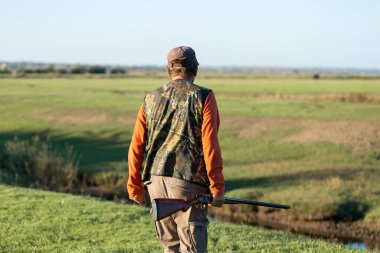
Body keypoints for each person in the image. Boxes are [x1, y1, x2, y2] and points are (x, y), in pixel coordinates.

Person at [127, 46, 224, 253]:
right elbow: (210, 145)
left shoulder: (150, 98)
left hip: (155, 183)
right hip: (187, 185)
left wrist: (134, 185)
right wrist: (217, 188)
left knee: (170, 248)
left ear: (168, 70)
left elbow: (136, 144)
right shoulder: (204, 97)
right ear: (195, 69)